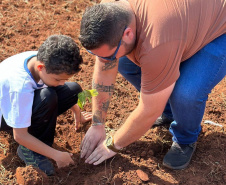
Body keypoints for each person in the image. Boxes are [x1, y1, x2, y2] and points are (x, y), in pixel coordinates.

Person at [78, 0, 226, 170]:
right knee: (126, 62)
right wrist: (98, 123)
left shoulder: (157, 42)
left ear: (127, 34)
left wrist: (112, 144)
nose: (106, 61)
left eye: (109, 56)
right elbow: (104, 70)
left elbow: (150, 109)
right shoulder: (109, 13)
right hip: (184, 24)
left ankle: (185, 139)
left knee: (185, 94)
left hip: (219, 30)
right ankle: (169, 112)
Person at [0, 35, 92, 175]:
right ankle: (29, 151)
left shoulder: (41, 60)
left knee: (73, 90)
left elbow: (60, 86)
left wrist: (77, 112)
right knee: (47, 97)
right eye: (58, 79)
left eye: (64, 79)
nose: (62, 83)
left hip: (20, 102)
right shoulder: (20, 87)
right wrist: (56, 155)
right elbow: (19, 136)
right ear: (41, 67)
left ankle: (35, 139)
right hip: (5, 116)